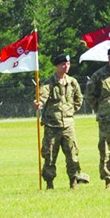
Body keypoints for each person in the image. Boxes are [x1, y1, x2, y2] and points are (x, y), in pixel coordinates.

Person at [36, 52, 90, 189]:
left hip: (68, 125)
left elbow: (79, 99)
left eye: (68, 64)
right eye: (63, 64)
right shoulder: (49, 83)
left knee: (72, 155)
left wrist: (70, 111)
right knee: (49, 156)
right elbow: (42, 97)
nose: (66, 66)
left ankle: (73, 181)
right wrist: (39, 104)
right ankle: (49, 183)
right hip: (52, 126)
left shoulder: (72, 82)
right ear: (57, 66)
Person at [85, 44, 110, 188]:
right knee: (107, 151)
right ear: (108, 58)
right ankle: (108, 180)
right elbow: (90, 96)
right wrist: (101, 109)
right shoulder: (99, 75)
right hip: (107, 120)